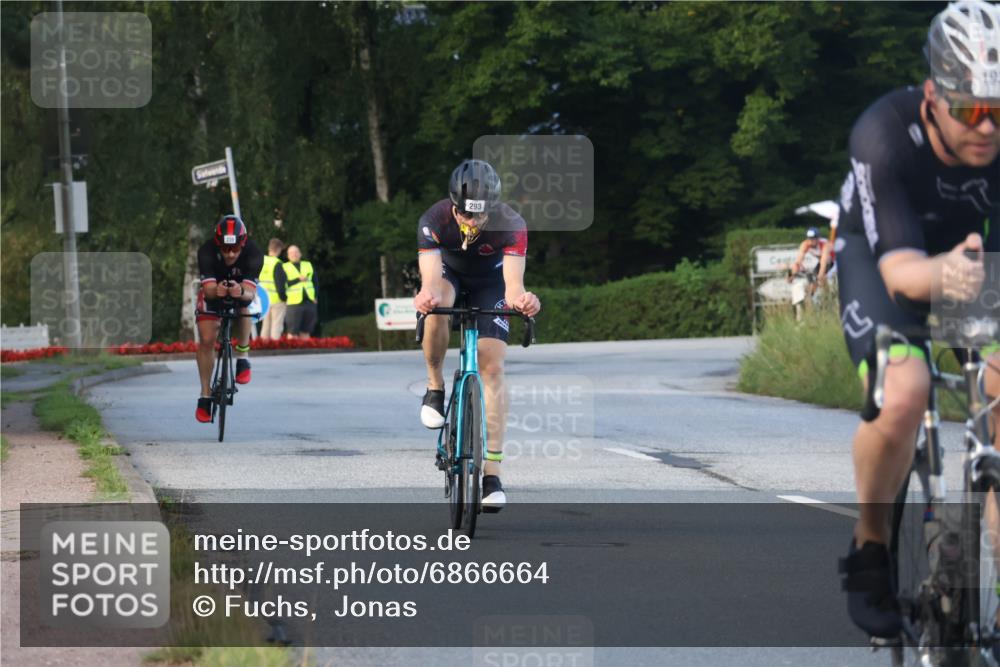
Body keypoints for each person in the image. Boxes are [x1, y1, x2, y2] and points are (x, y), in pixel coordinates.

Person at [835, 0, 1000, 639]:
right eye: (971, 110)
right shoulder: (883, 131)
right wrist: (946, 276)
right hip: (884, 258)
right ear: (933, 96)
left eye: (999, 110)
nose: (987, 128)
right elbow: (903, 273)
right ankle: (871, 547)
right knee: (903, 393)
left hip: (974, 264)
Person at [413, 159, 542, 511]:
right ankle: (435, 387)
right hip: (449, 278)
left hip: (491, 284)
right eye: (465, 215)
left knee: (493, 368)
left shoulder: (511, 223)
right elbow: (430, 279)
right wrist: (426, 296)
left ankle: (492, 475)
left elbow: (513, 288)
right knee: (437, 303)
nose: (472, 223)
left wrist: (525, 301)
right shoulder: (434, 220)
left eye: (480, 216)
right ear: (454, 207)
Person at [194, 215, 264, 423]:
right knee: (207, 340)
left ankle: (242, 356)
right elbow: (208, 290)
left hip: (241, 292)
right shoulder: (206, 252)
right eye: (225, 249)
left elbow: (250, 294)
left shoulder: (254, 253)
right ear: (217, 244)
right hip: (213, 292)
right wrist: (218, 290)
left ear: (243, 244)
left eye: (235, 249)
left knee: (245, 307)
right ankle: (205, 396)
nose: (230, 253)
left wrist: (239, 291)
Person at [283, 245, 317, 339]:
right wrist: (298, 279)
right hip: (293, 303)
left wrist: (315, 296)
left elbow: (315, 282)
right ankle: (290, 352)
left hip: (309, 301)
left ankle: (306, 352)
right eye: (291, 253)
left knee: (306, 330)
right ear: (288, 256)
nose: (294, 254)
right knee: (292, 331)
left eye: (296, 252)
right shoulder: (284, 267)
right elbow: (283, 284)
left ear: (300, 254)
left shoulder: (308, 265)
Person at [258, 238, 288, 340]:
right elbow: (280, 284)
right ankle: (274, 347)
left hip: (264, 299)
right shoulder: (277, 263)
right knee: (276, 325)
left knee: (265, 325)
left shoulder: (262, 260)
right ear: (279, 249)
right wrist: (284, 298)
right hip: (277, 299)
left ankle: (263, 346)